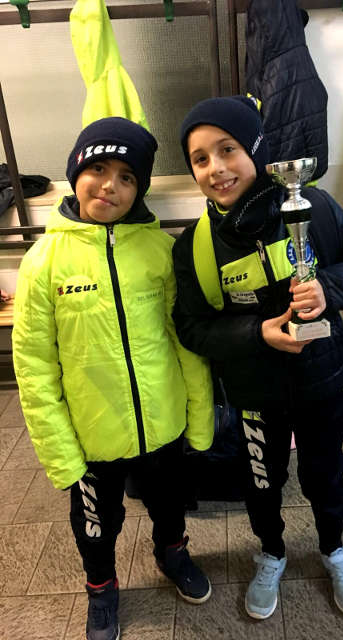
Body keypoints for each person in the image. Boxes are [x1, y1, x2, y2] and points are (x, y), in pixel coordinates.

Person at [172, 96, 343, 620]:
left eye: (228, 150)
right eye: (200, 159)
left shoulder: (313, 206)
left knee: (324, 474)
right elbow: (192, 327)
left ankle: (334, 550)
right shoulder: (194, 246)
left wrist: (328, 288)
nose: (216, 168)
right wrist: (255, 334)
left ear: (256, 150)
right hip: (254, 392)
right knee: (261, 480)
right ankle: (271, 553)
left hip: (320, 381)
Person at [12, 117, 214, 640]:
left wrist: (199, 420)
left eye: (127, 177)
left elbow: (185, 344)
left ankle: (172, 553)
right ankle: (101, 588)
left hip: (163, 422)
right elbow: (34, 368)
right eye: (98, 169)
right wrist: (60, 453)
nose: (110, 186)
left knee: (170, 504)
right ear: (75, 173)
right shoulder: (43, 263)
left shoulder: (159, 252)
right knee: (96, 523)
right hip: (92, 434)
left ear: (140, 189)